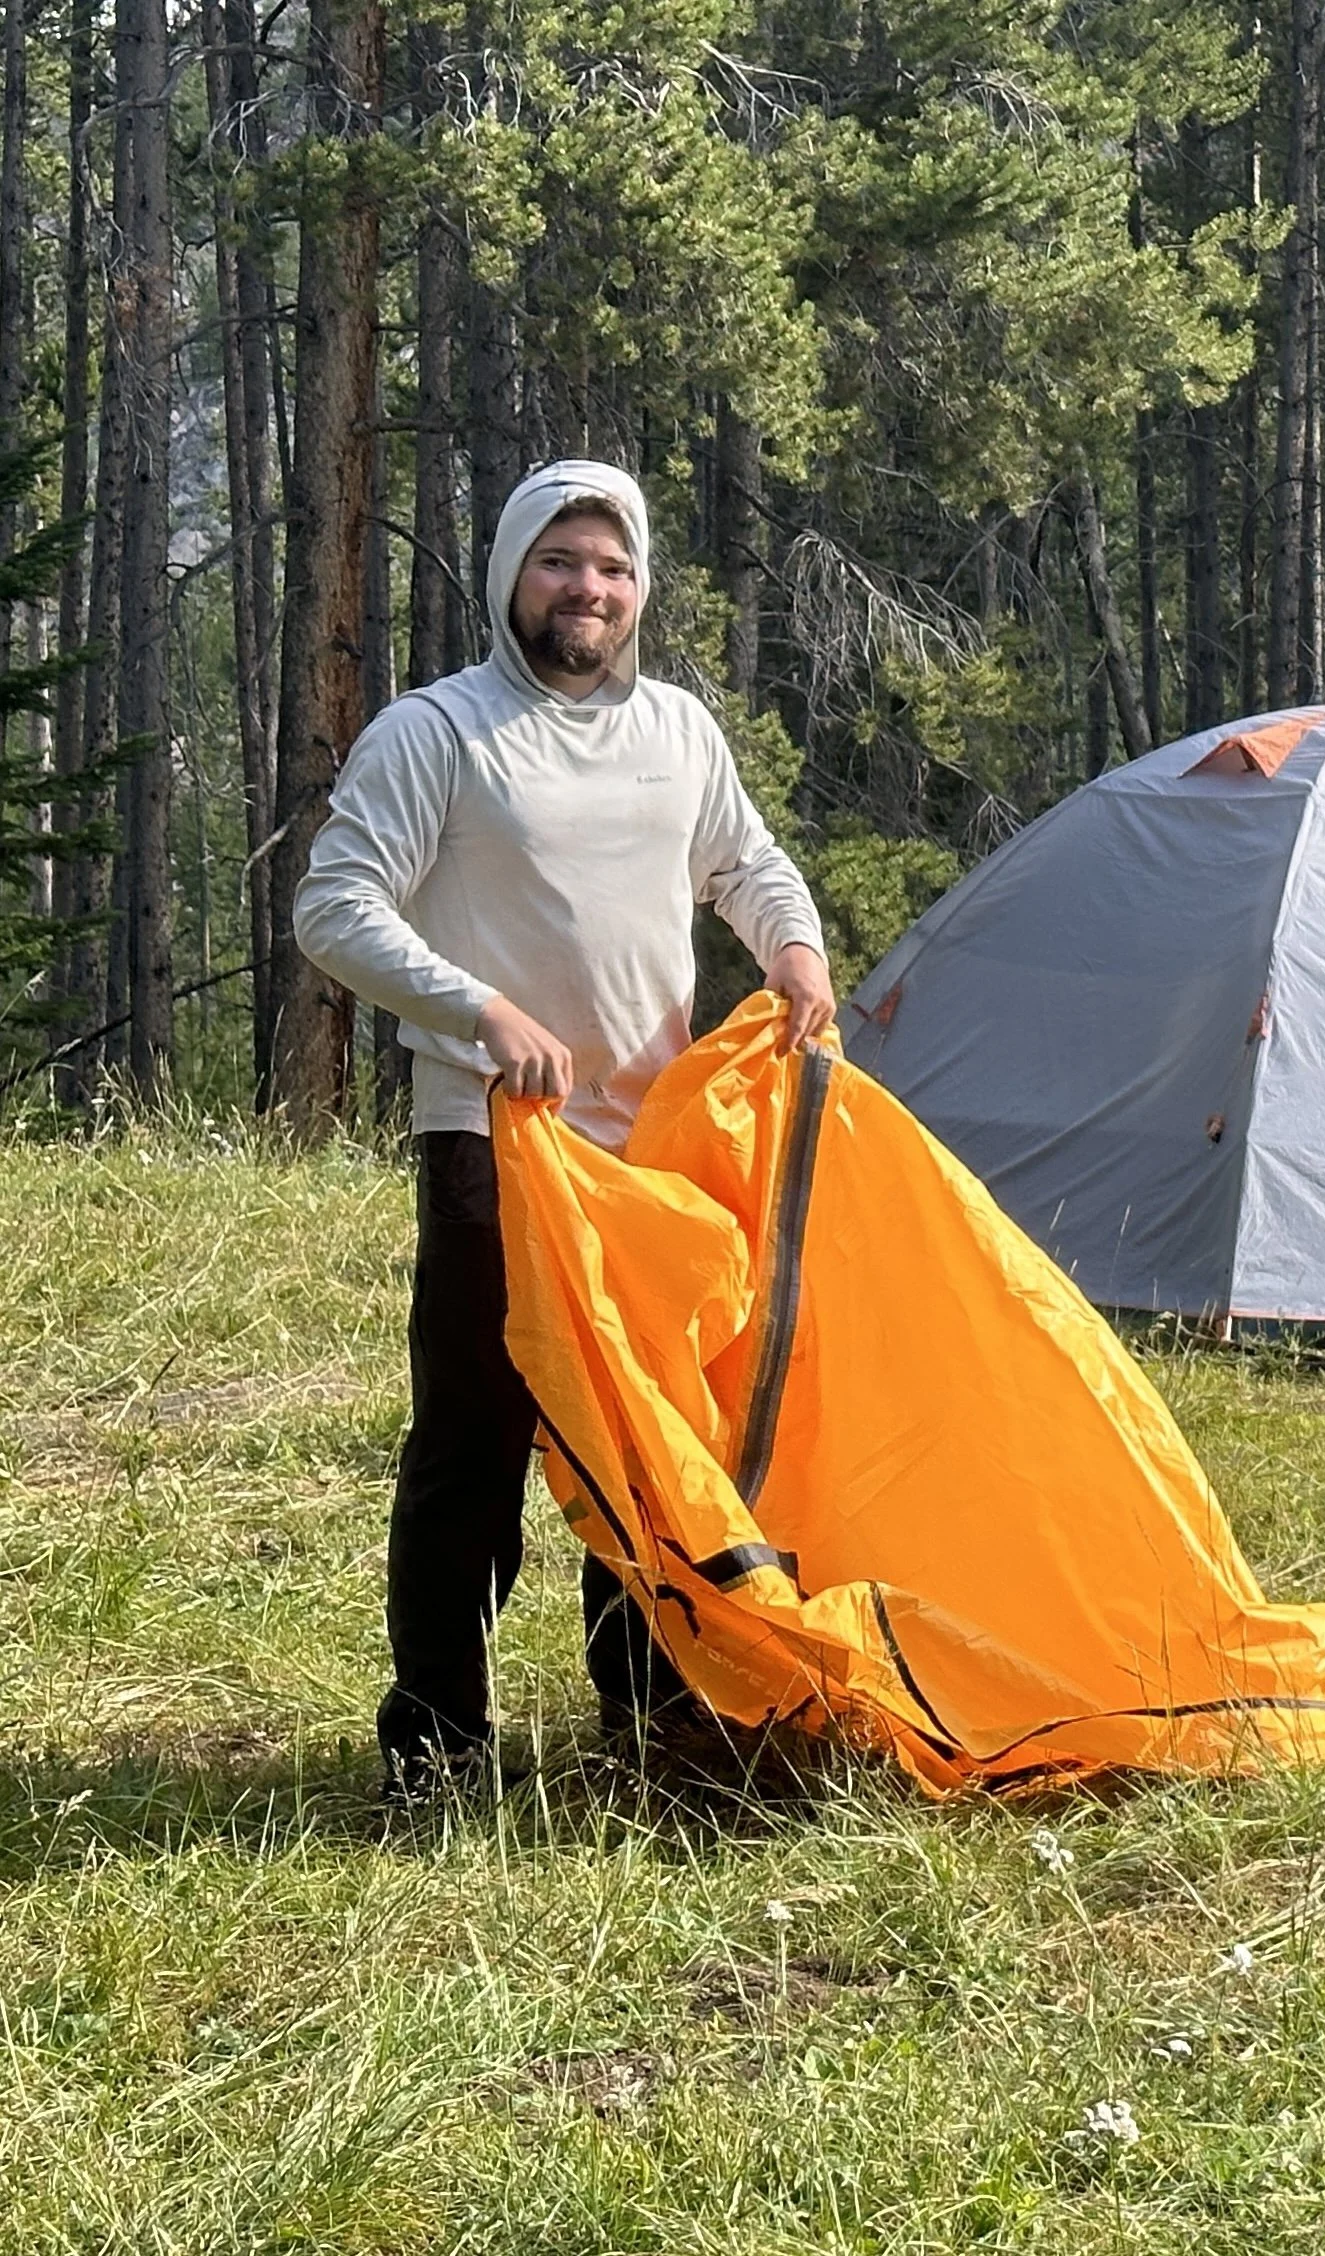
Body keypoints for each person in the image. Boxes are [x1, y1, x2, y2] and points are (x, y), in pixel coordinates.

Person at [295, 458, 834, 1797]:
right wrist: (478, 1010)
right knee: (472, 1443)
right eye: (558, 561)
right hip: (490, 1140)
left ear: (638, 589)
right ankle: (436, 1745)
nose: (584, 589)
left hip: (646, 1157)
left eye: (610, 567)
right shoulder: (439, 733)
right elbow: (335, 906)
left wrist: (797, 948)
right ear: (509, 575)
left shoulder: (680, 734)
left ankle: (650, 1713)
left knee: (642, 1440)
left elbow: (744, 864)